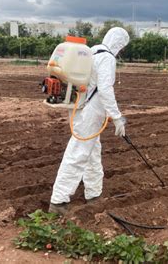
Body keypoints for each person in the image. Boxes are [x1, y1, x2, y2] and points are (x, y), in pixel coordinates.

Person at [49, 27, 129, 215]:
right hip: (91, 110)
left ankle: (94, 194)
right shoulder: (107, 58)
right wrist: (117, 117)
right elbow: (105, 89)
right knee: (78, 152)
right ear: (119, 43)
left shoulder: (92, 51)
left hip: (79, 105)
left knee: (92, 151)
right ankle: (58, 202)